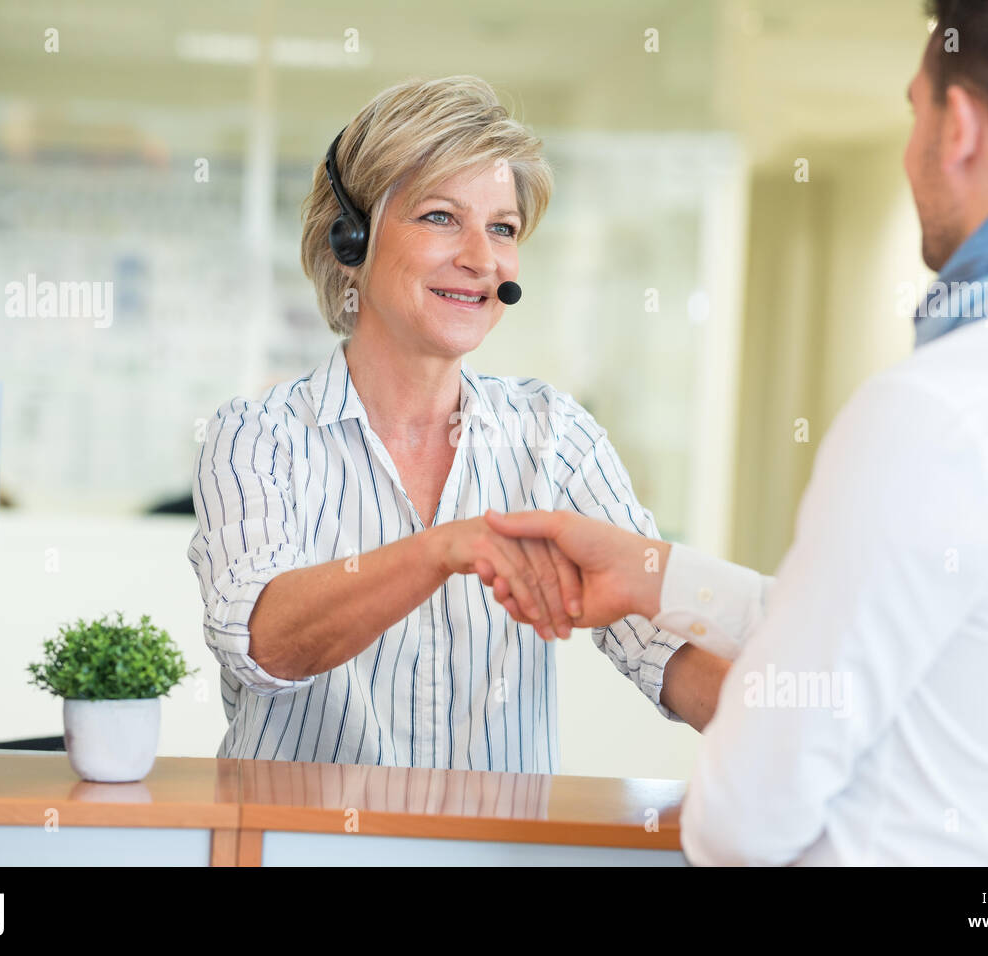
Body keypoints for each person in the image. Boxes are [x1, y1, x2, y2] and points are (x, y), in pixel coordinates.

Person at [483, 0, 988, 864]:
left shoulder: (936, 412)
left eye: (915, 110)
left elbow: (740, 820)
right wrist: (657, 575)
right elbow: (941, 627)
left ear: (959, 129)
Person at [186, 75, 729, 771]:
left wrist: (802, 726)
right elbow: (265, 643)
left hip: (494, 849)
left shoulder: (552, 437)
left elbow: (658, 640)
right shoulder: (256, 436)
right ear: (351, 242)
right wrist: (442, 550)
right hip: (303, 845)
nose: (481, 259)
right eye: (441, 216)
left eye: (501, 228)